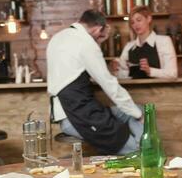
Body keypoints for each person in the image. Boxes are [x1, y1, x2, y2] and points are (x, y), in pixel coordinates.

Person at [47, 10, 143, 155]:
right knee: (136, 151)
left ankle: (143, 149)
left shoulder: (59, 37)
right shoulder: (85, 43)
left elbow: (77, 71)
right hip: (79, 117)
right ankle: (142, 154)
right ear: (98, 29)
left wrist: (136, 112)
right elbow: (109, 85)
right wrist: (138, 116)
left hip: (67, 115)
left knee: (140, 110)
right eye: (101, 34)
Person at [111, 6, 178, 79]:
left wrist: (150, 71)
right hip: (134, 90)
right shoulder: (129, 46)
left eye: (139, 20)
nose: (136, 25)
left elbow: (173, 73)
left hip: (159, 89)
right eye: (132, 22)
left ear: (148, 19)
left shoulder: (164, 41)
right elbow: (124, 76)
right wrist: (116, 70)